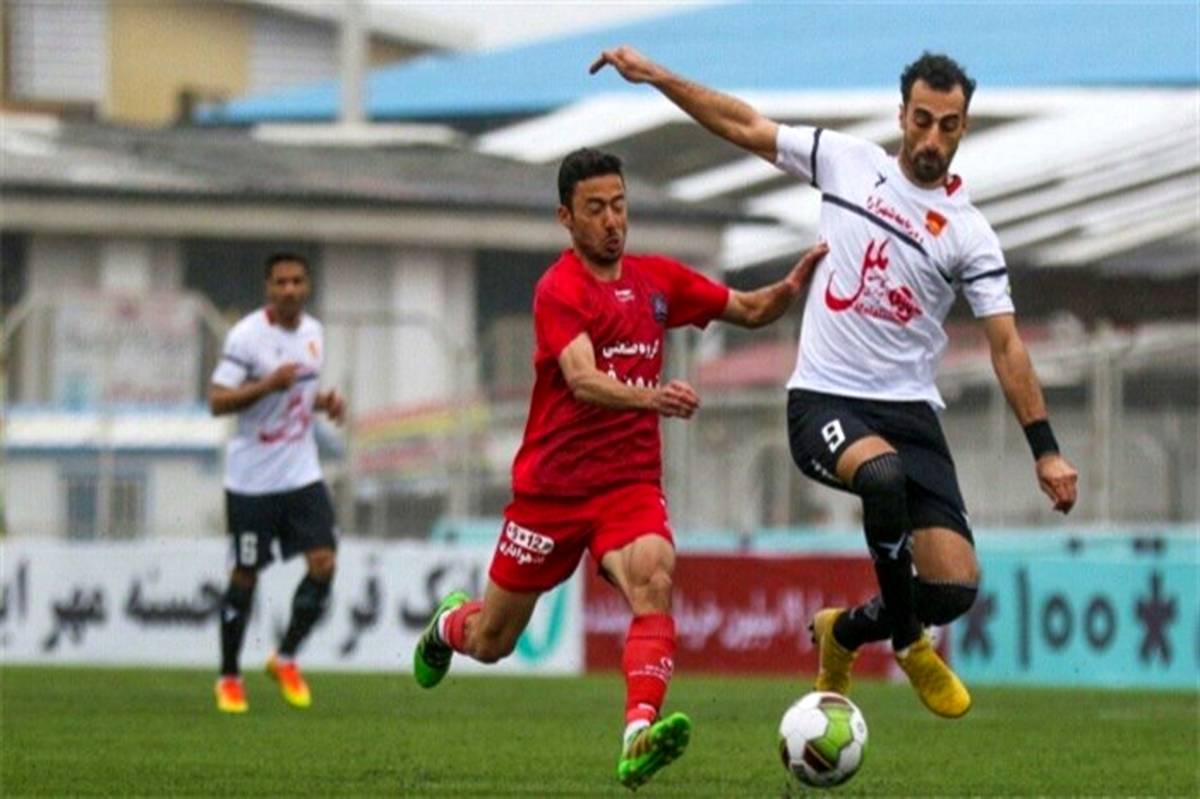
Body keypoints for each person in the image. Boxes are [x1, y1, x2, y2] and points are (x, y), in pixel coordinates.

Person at [591, 48, 1079, 719]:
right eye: (923, 120)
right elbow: (745, 125)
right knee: (881, 476)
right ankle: (909, 642)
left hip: (911, 412)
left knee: (954, 589)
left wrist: (1045, 449)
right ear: (901, 115)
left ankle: (842, 632)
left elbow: (1007, 345)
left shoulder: (970, 234)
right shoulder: (848, 162)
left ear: (963, 129)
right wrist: (657, 77)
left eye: (948, 126)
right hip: (825, 400)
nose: (932, 138)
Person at [412, 148, 829, 788]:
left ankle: (638, 733)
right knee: (492, 640)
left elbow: (747, 309)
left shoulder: (656, 281)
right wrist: (652, 397)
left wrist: (793, 288)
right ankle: (447, 625)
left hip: (627, 485)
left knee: (654, 577)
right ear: (566, 217)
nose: (612, 221)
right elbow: (581, 379)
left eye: (619, 205)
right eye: (595, 209)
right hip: (550, 493)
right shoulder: (559, 290)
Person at [209, 252, 346, 714]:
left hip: (301, 472)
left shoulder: (314, 333)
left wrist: (324, 402)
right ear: (268, 288)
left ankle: (285, 657)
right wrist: (266, 385)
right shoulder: (247, 336)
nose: (289, 289)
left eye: (297, 281)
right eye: (281, 282)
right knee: (245, 574)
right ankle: (229, 677)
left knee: (324, 562)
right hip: (252, 480)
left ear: (307, 286)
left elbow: (299, 397)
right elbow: (217, 401)